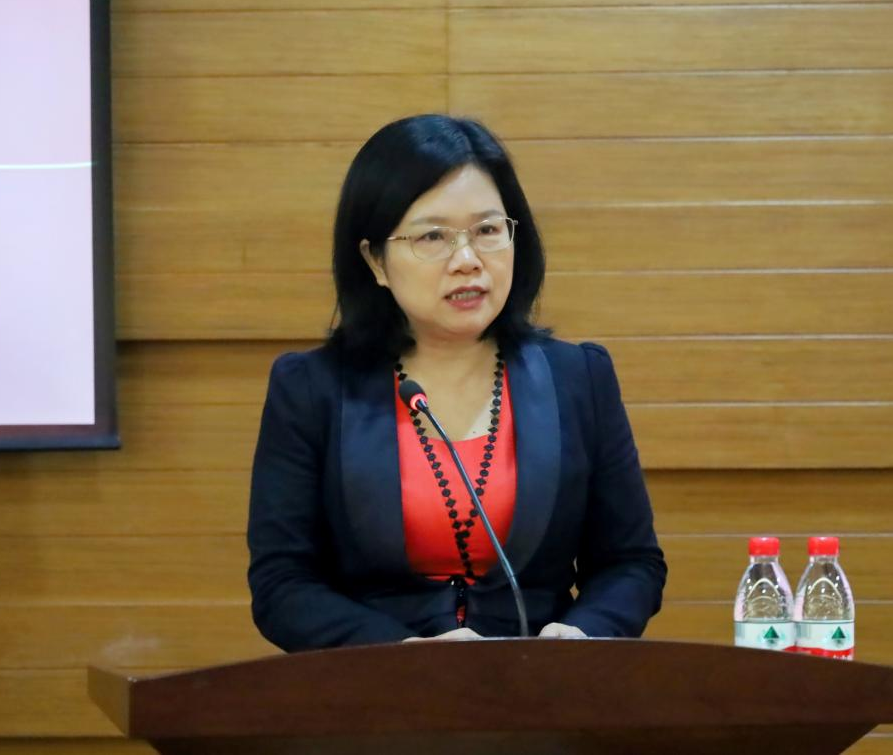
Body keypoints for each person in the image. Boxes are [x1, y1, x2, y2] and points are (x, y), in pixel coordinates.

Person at [247, 114, 666, 651]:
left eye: (487, 230)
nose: (467, 261)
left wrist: (581, 633)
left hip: (542, 684)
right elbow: (282, 583)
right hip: (377, 687)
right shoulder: (311, 390)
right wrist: (400, 653)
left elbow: (631, 562)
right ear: (375, 260)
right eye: (433, 237)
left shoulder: (578, 379)